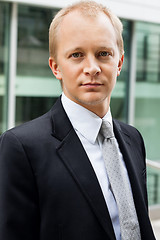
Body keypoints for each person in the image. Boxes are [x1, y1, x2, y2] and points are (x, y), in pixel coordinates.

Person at [0, 1, 156, 239]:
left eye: (103, 54)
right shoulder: (21, 147)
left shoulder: (133, 138)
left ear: (119, 63)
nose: (92, 68)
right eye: (77, 55)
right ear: (56, 67)